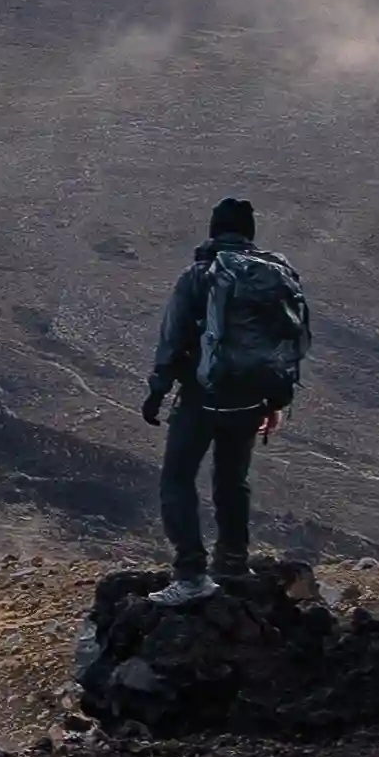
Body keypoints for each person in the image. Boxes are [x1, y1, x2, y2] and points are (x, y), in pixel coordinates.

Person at [136, 196, 309, 599]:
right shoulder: (276, 276)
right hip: (251, 401)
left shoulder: (199, 276)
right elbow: (287, 342)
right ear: (249, 234)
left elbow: (173, 338)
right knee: (233, 481)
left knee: (177, 480)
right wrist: (276, 402)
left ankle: (191, 576)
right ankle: (232, 562)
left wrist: (157, 392)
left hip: (202, 399)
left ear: (213, 231)